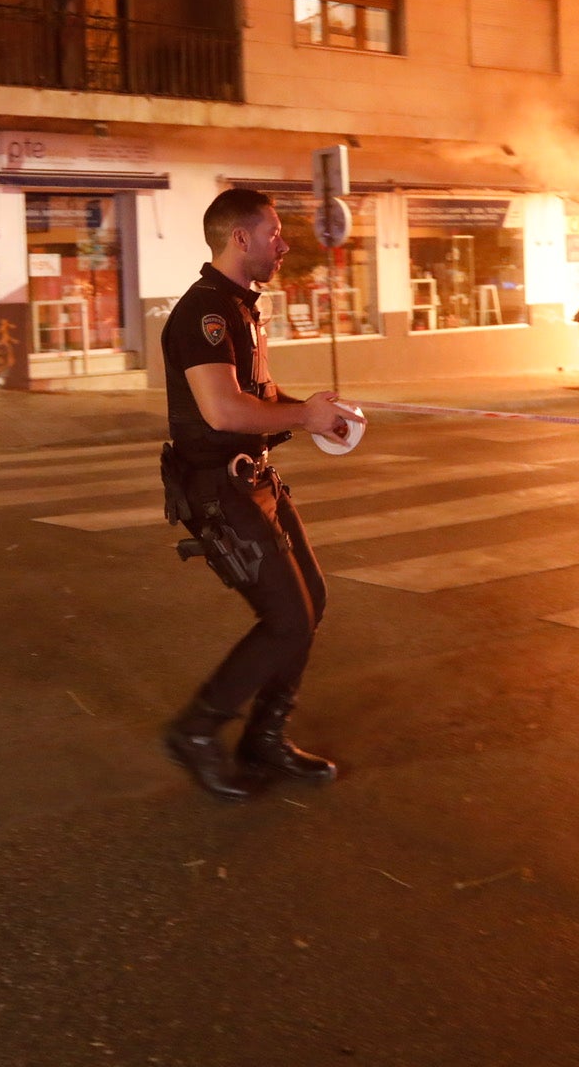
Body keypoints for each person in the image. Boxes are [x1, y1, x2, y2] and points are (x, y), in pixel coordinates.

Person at [157, 188, 354, 801]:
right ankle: (195, 730)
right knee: (287, 619)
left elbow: (257, 395)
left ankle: (265, 738)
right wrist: (303, 419)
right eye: (273, 233)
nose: (284, 243)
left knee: (309, 603)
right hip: (219, 487)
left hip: (254, 476)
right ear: (239, 239)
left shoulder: (242, 306)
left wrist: (312, 411)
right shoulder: (204, 313)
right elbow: (220, 410)